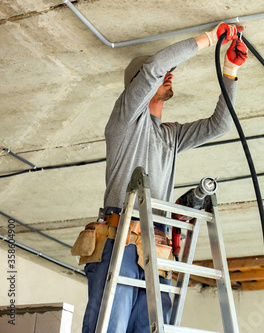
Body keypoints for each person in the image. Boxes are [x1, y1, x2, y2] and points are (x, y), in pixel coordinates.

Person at [71, 23, 247, 333]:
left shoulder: (171, 136)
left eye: (170, 72)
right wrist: (209, 39)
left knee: (151, 328)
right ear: (137, 86)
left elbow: (219, 126)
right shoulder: (124, 121)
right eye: (163, 73)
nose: (170, 74)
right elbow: (154, 67)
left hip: (158, 243)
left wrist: (230, 69)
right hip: (121, 238)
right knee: (111, 325)